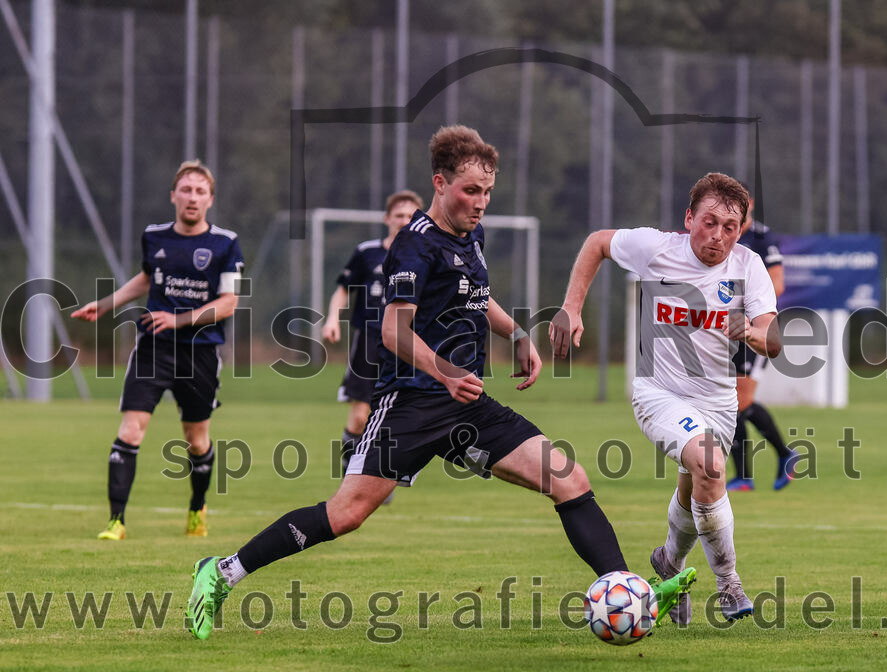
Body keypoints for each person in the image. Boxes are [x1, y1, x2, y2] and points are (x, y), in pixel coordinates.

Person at [186, 125, 692, 640]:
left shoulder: (472, 235)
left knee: (570, 479)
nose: (481, 203)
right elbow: (392, 330)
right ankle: (223, 572)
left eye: (488, 192)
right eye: (470, 191)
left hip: (467, 406)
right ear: (440, 183)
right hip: (411, 404)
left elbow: (475, 296)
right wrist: (446, 373)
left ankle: (626, 589)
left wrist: (516, 333)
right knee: (346, 514)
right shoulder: (413, 247)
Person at [551, 172, 781, 625]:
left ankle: (668, 565)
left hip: (718, 401)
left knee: (699, 484)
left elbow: (772, 340)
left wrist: (751, 332)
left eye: (730, 228)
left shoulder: (748, 266)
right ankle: (729, 583)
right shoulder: (657, 249)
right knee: (712, 465)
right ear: (689, 217)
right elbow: (597, 242)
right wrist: (571, 307)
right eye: (710, 222)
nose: (718, 236)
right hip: (658, 392)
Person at [71, 160, 243, 540]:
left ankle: (197, 509)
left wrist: (178, 319)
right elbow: (149, 278)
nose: (192, 197)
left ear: (210, 199)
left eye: (200, 191)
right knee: (131, 431)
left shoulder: (225, 243)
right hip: (153, 348)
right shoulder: (155, 236)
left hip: (200, 354)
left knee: (196, 439)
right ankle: (116, 521)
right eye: (186, 189)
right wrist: (106, 304)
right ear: (173, 196)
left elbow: (230, 303)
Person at [322, 189, 424, 504]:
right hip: (368, 340)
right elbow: (343, 290)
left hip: (407, 344)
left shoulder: (425, 256)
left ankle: (382, 481)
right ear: (387, 219)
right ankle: (350, 481)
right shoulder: (367, 253)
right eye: (399, 216)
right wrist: (331, 319)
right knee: (358, 418)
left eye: (411, 216)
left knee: (399, 415)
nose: (404, 221)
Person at [726, 188, 798, 492]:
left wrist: (743, 301)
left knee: (738, 403)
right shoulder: (720, 237)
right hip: (723, 330)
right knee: (730, 404)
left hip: (754, 329)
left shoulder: (761, 238)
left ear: (750, 205)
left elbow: (778, 285)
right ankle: (754, 471)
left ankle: (775, 459)